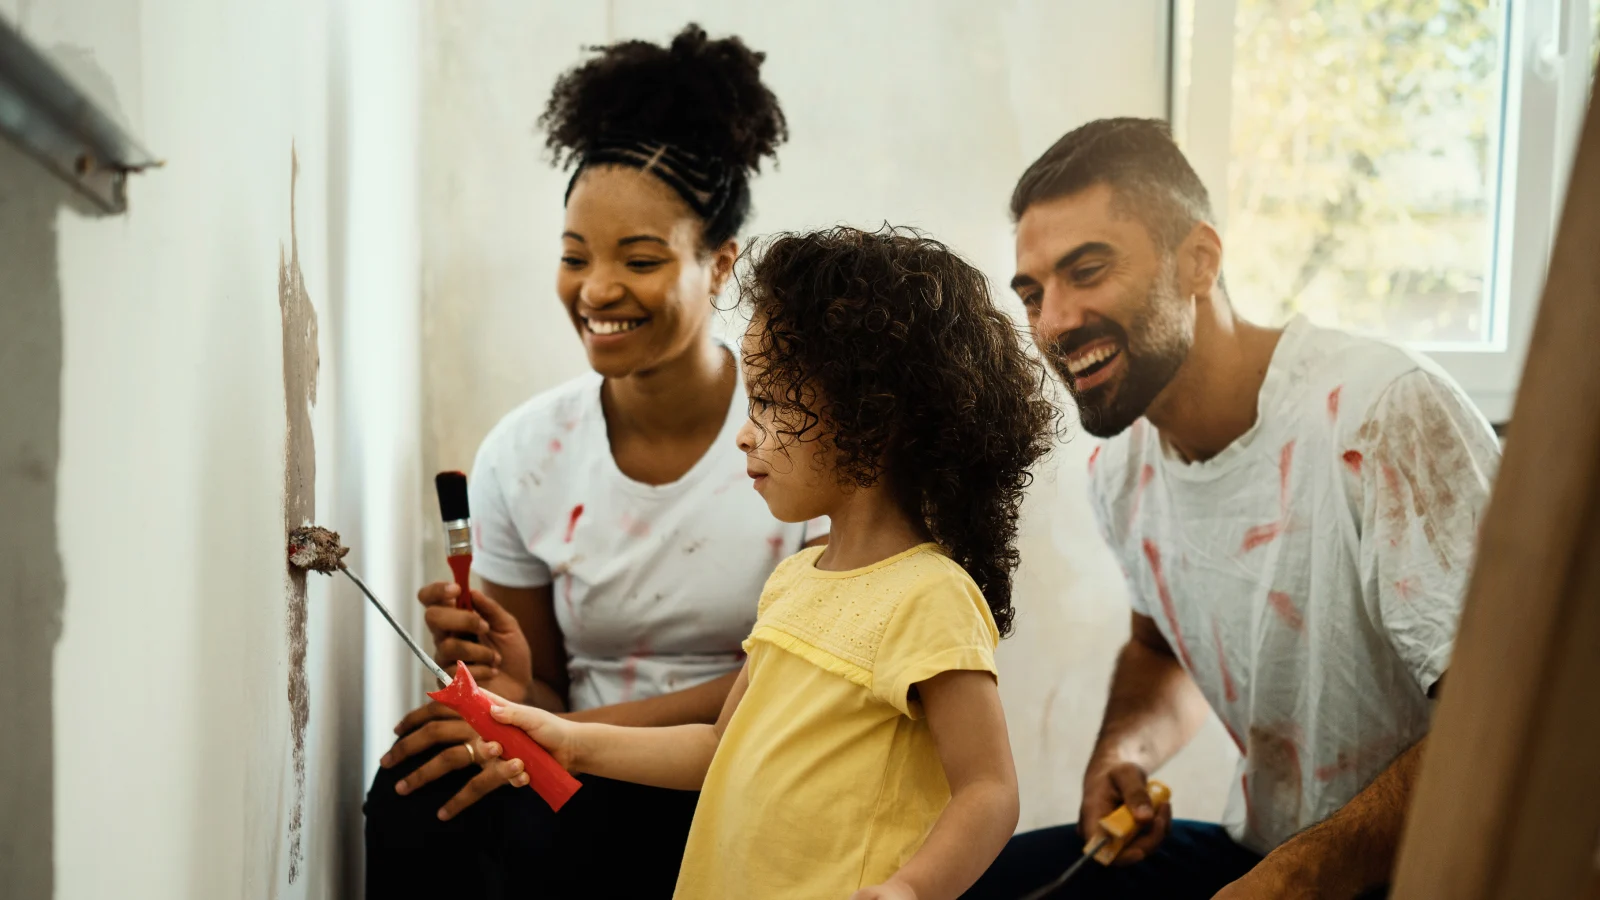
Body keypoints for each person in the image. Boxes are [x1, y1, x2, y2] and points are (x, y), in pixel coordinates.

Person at [966, 118, 1501, 899]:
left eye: (1087, 271)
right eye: (1033, 293)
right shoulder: (1121, 470)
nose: (1052, 323)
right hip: (1272, 854)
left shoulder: (1380, 414)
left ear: (1199, 260)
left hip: (1441, 870)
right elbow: (1160, 651)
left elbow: (1503, 718)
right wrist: (1127, 754)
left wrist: (1307, 873)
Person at [362, 25, 825, 899]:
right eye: (574, 257)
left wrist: (555, 727)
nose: (596, 290)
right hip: (579, 772)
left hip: (759, 770)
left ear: (720, 265)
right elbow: (536, 679)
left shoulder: (802, 443)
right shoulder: (527, 457)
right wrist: (508, 688)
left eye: (639, 260)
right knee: (420, 789)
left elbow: (796, 684)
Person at [491, 226, 1058, 899]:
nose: (744, 431)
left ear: (870, 421)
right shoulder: (794, 581)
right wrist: (571, 742)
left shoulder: (929, 596)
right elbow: (713, 747)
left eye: (768, 402)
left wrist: (910, 890)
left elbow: (990, 790)